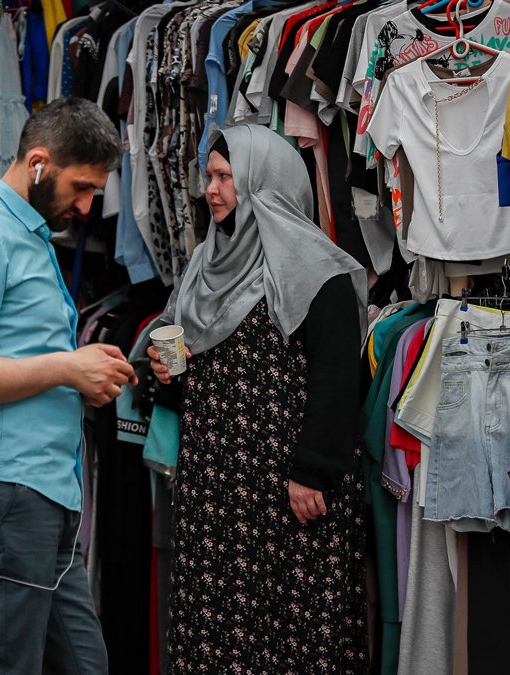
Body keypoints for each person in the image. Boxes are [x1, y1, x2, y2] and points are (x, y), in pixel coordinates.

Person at [148, 124, 369, 672]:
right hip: (214, 490)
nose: (211, 190)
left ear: (264, 184)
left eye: (227, 177)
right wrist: (165, 373)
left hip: (287, 493)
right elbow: (183, 366)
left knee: (287, 636)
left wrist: (313, 470)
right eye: (210, 177)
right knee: (215, 633)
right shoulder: (204, 265)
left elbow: (338, 380)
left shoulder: (319, 275)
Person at [0, 96, 132, 674]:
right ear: (38, 162)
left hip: (39, 493)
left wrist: (80, 376)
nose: (90, 205)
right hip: (0, 490)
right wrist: (68, 368)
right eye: (83, 186)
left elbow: (13, 357)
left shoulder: (26, 232)